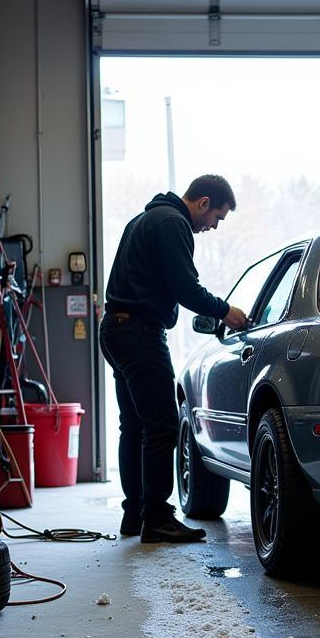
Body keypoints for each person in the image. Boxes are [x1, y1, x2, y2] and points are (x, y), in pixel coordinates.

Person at [99, 175, 247, 544]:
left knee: (134, 426)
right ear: (203, 202)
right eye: (217, 217)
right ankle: (159, 519)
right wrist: (225, 310)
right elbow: (185, 288)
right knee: (162, 426)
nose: (212, 226)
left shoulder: (145, 219)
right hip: (140, 332)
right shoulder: (173, 223)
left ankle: (134, 514)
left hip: (116, 329)